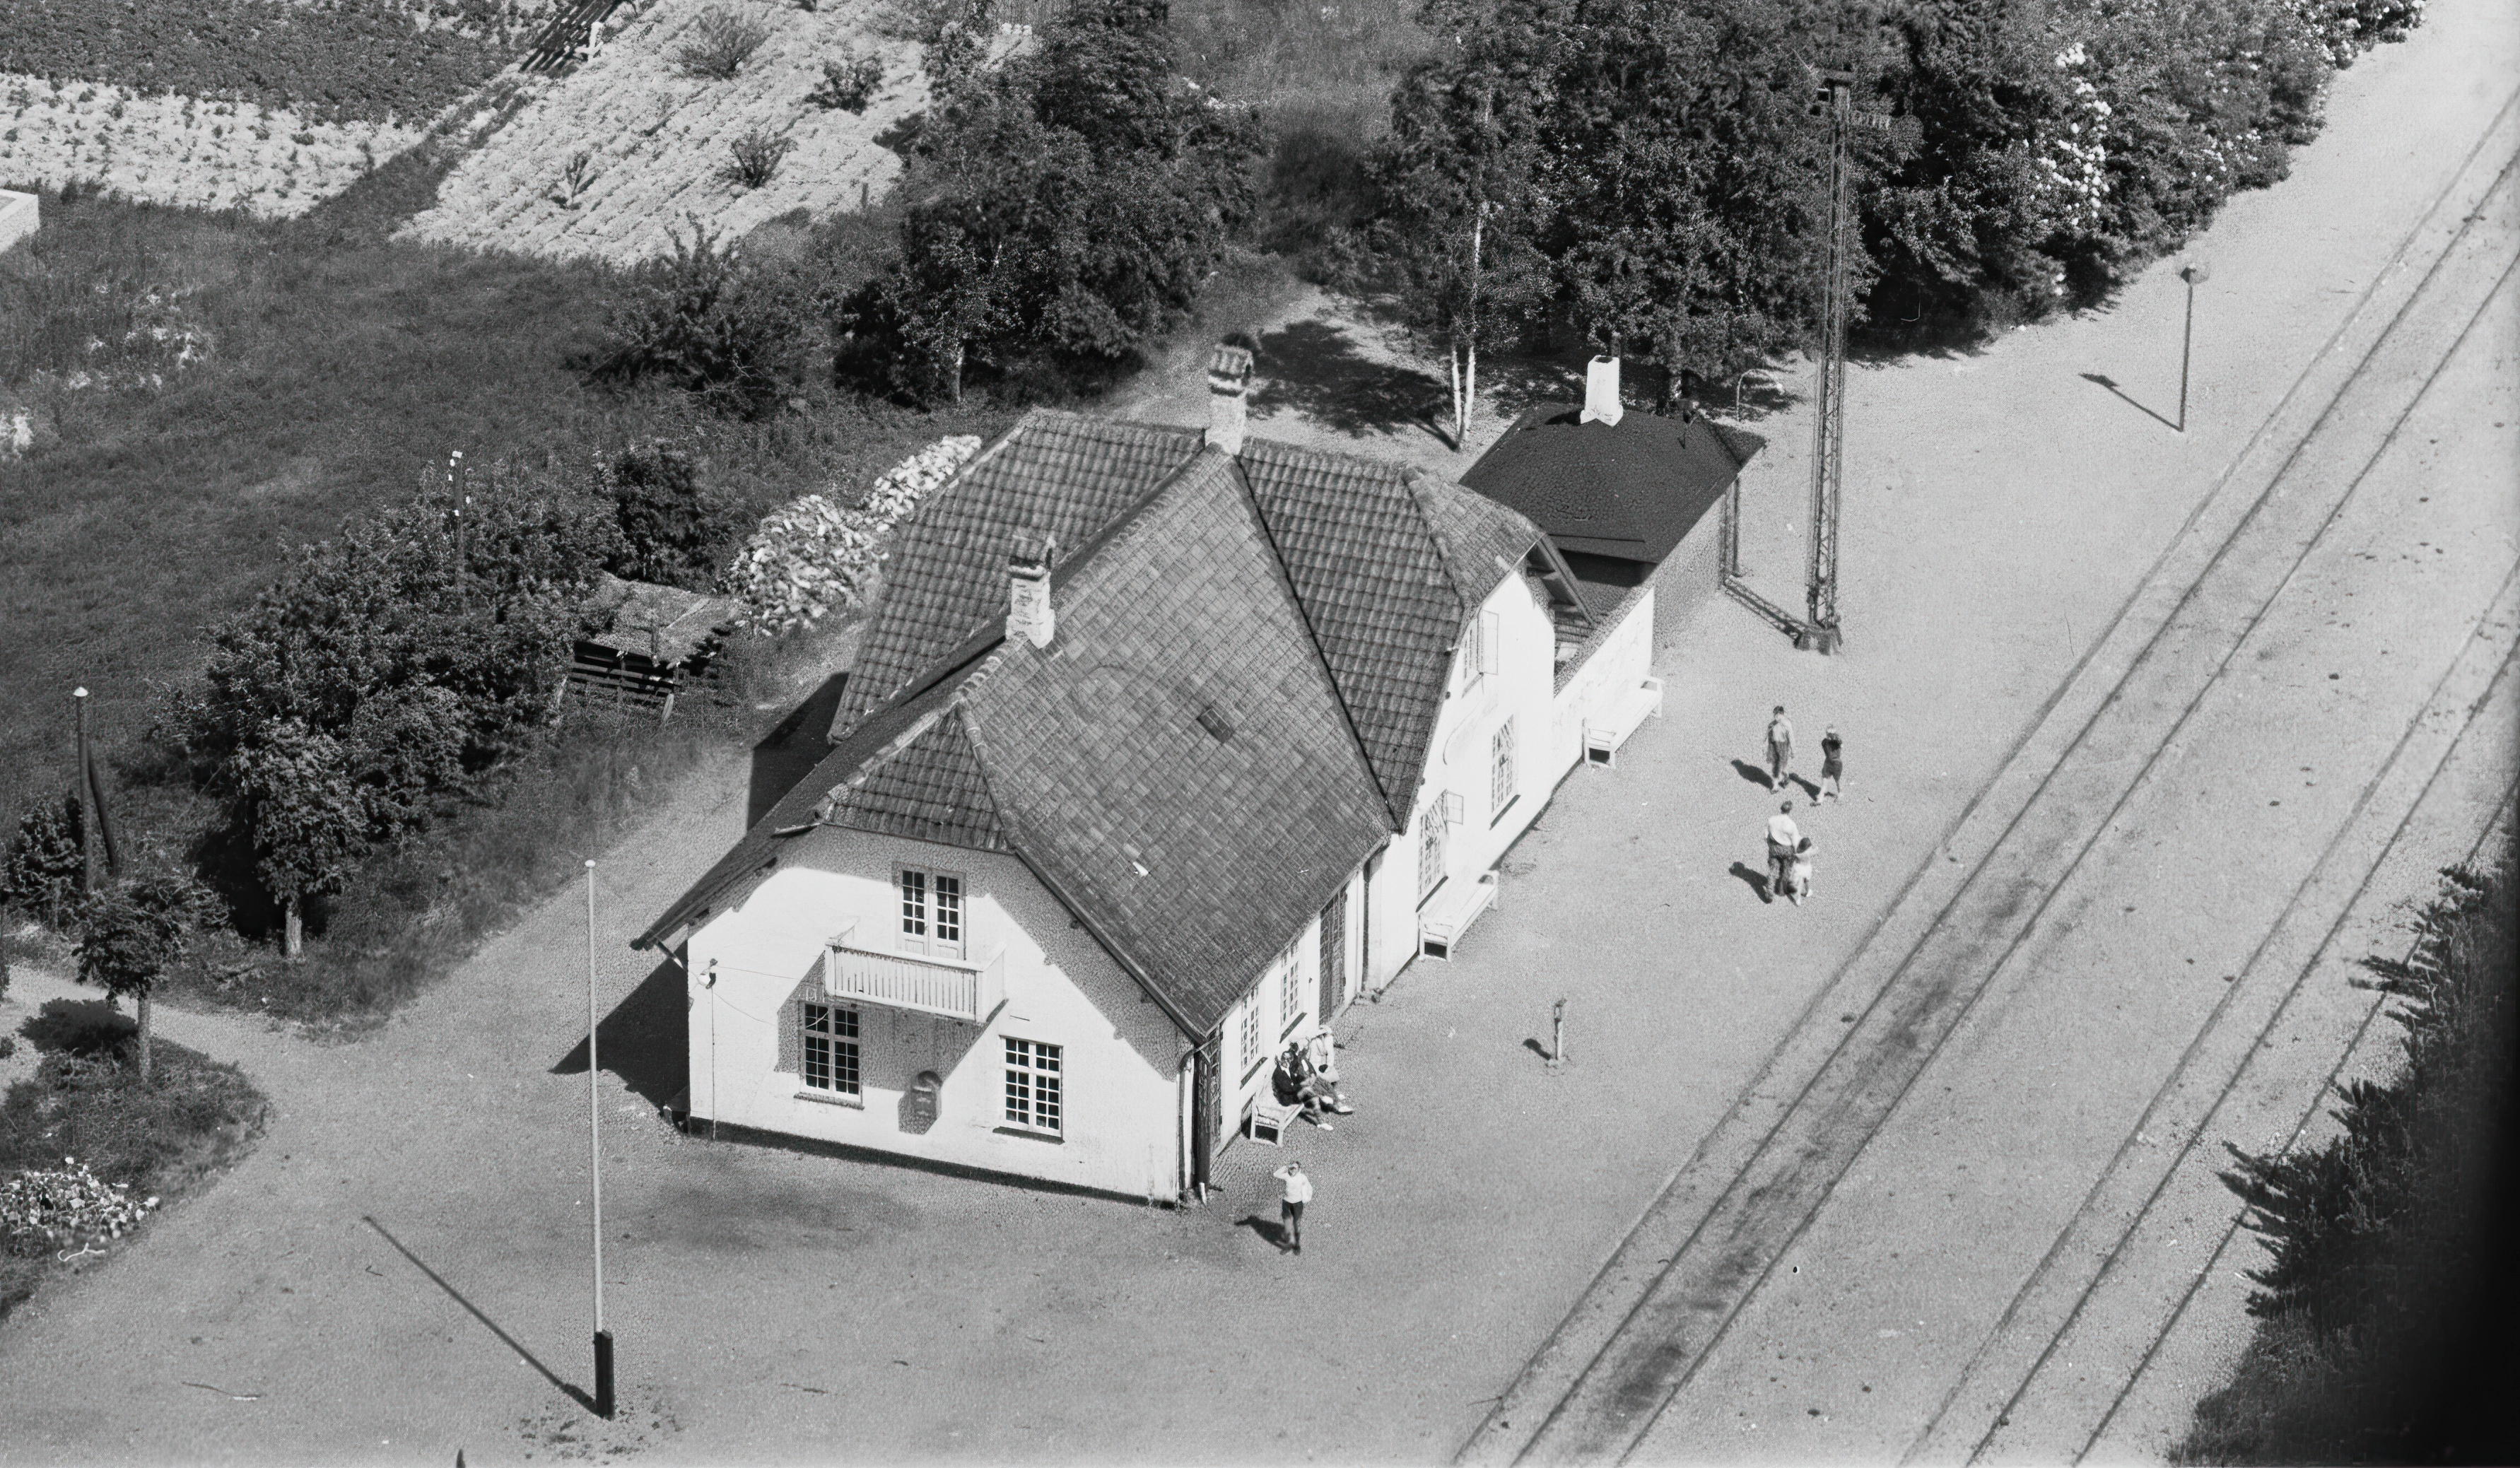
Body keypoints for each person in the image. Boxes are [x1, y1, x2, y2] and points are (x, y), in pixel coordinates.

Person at [1273, 1043, 1341, 1128]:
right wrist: (1302, 1084)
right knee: (1307, 1090)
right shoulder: (1278, 1073)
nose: (1289, 1063)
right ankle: (1323, 1098)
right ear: (1283, 1061)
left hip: (1294, 1093)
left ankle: (1321, 1123)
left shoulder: (1287, 1069)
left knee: (1314, 1099)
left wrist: (1304, 1080)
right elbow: (1287, 1089)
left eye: (1289, 1061)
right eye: (1287, 1061)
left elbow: (1295, 1078)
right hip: (1286, 1097)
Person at [1272, 1161, 1312, 1254]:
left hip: (1297, 1204)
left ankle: (1296, 1245)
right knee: (1287, 1225)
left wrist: (1305, 1198)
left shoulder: (1302, 1177)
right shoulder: (1287, 1176)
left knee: (1296, 1224)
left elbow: (1308, 1188)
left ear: (1299, 1170)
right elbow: (1276, 1174)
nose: (1293, 1170)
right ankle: (1289, 1244)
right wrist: (1286, 1167)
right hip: (1286, 1204)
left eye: (1295, 1168)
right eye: (1292, 1167)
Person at [1766, 799, 1801, 901]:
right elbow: (1795, 841)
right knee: (1786, 870)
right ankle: (1781, 890)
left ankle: (1769, 891)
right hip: (1786, 850)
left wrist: (1770, 845)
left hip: (1774, 848)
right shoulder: (1791, 824)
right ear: (1790, 810)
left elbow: (1766, 835)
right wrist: (1796, 853)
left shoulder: (1772, 820)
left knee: (1773, 869)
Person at [1766, 706, 1795, 792]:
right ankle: (1775, 786)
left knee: (1783, 766)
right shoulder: (1772, 725)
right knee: (1776, 765)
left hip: (1783, 746)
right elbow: (1767, 737)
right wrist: (1766, 749)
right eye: (1776, 714)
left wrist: (1793, 749)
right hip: (1774, 745)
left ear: (1782, 714)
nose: (1777, 716)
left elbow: (1791, 737)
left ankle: (1785, 777)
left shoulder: (1787, 723)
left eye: (1779, 714)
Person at [1787, 835, 1815, 905]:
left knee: (1799, 884)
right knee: (1806, 881)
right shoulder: (1809, 852)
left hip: (1799, 868)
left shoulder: (1798, 853)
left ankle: (1798, 899)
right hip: (1807, 868)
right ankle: (1807, 891)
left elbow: (1793, 859)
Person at [1819, 725, 1844, 802]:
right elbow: (1840, 745)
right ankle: (1840, 794)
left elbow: (1825, 745)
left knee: (1825, 778)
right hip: (1837, 763)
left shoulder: (1824, 742)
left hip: (1828, 763)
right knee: (1838, 781)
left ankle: (1821, 797)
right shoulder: (1839, 743)